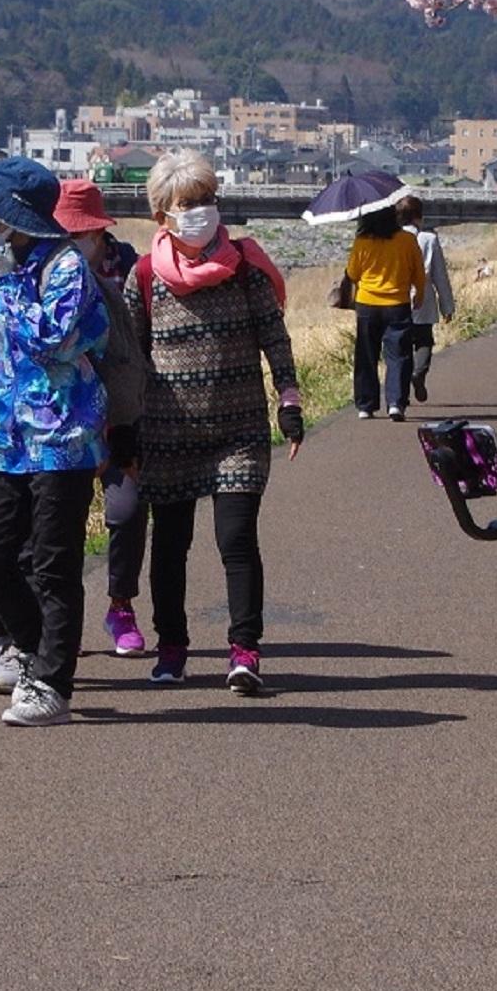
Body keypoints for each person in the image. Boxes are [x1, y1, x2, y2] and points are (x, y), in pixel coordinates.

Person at [131, 151, 306, 694]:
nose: (201, 212)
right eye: (188, 204)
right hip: (168, 431)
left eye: (207, 200)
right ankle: (173, 646)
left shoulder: (246, 265)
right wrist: (122, 430)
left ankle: (245, 650)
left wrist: (289, 396)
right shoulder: (143, 277)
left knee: (236, 539)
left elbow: (273, 335)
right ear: (162, 214)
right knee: (171, 543)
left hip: (239, 432)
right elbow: (132, 357)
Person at [0, 157, 109, 726]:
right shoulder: (5, 269)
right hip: (3, 441)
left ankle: (51, 684)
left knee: (53, 565)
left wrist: (7, 282)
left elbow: (54, 341)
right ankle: (34, 649)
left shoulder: (65, 267)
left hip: (61, 441)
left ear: (16, 218)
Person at [55, 178, 153, 656]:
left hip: (120, 419)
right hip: (61, 426)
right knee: (58, 523)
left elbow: (137, 352)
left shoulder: (131, 272)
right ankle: (61, 616)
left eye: (82, 234)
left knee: (127, 510)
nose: (75, 244)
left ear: (100, 233)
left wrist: (129, 424)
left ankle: (120, 605)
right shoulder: (44, 277)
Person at [338, 202, 425, 420]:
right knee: (399, 355)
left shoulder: (362, 241)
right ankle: (396, 403)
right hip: (398, 304)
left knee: (366, 354)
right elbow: (418, 272)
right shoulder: (407, 240)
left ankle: (366, 405)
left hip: (367, 304)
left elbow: (353, 273)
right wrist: (420, 296)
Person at [396, 193, 458, 406]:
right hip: (423, 299)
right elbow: (440, 275)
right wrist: (447, 305)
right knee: (424, 341)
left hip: (396, 298)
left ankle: (400, 395)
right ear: (418, 216)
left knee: (400, 347)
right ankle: (419, 372)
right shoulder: (429, 239)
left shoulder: (392, 239)